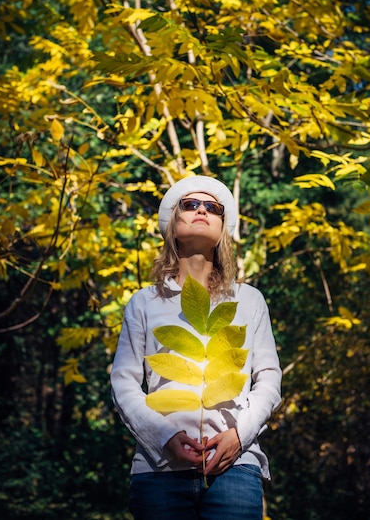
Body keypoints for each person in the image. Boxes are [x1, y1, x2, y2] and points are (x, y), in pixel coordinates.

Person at [110, 175, 282, 520]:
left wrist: (239, 435)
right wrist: (164, 436)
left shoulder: (248, 300)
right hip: (159, 468)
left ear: (222, 230)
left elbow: (268, 378)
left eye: (213, 208)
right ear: (172, 227)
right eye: (190, 205)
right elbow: (123, 382)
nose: (202, 209)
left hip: (234, 465)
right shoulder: (145, 302)